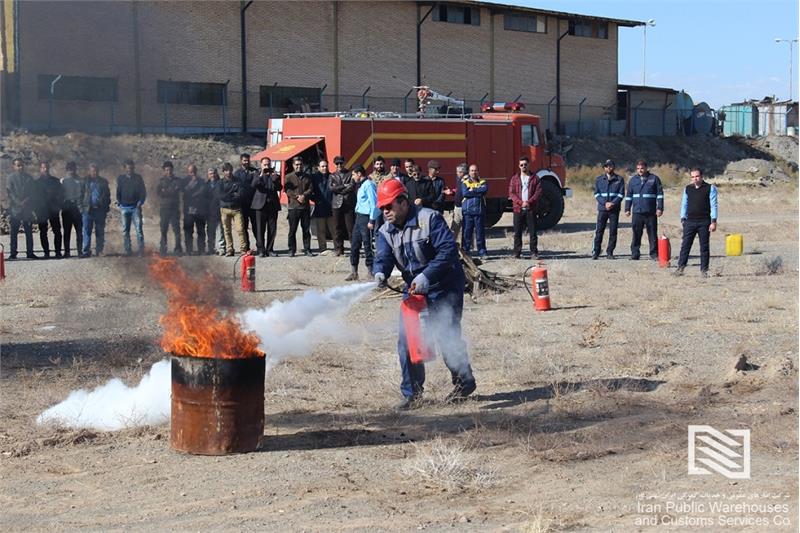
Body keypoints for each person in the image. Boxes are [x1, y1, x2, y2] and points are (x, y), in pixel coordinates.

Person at [373, 180, 476, 410]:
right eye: (382, 208)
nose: (385, 211)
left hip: (444, 285)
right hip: (415, 291)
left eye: (389, 206)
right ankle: (412, 394)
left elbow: (448, 250)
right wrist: (380, 272)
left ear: (403, 201)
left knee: (446, 334)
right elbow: (383, 257)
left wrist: (427, 275)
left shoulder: (429, 219)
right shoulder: (384, 231)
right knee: (407, 339)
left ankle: (464, 382)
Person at [675, 168, 718, 277]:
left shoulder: (710, 188)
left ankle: (704, 271)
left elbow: (714, 205)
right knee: (685, 246)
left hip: (704, 222)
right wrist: (683, 218)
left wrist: (713, 221)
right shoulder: (688, 189)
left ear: (702, 176)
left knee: (704, 247)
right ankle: (680, 268)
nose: (695, 179)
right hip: (690, 222)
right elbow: (684, 204)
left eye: (697, 176)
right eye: (693, 177)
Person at [624, 159, 664, 260]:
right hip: (637, 212)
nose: (640, 170)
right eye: (638, 168)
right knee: (636, 234)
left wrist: (659, 208)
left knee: (652, 234)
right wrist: (627, 208)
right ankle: (635, 253)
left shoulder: (654, 179)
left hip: (650, 212)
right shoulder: (633, 180)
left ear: (646, 168)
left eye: (642, 168)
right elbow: (628, 196)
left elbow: (660, 195)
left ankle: (654, 254)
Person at [345, 165, 378, 281]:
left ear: (359, 174)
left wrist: (372, 220)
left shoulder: (369, 185)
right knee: (354, 244)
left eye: (354, 174)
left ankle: (370, 271)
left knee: (367, 245)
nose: (353, 177)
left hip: (366, 218)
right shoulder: (361, 185)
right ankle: (354, 272)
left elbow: (374, 204)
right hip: (358, 217)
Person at [509, 156, 542, 259]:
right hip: (518, 209)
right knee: (517, 232)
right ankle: (517, 253)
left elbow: (538, 192)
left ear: (529, 165)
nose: (523, 166)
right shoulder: (514, 178)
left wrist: (529, 202)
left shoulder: (535, 178)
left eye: (525, 164)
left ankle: (533, 253)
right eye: (521, 165)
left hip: (530, 208)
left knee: (533, 232)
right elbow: (511, 193)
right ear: (519, 166)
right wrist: (520, 202)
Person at [592, 159, 625, 260]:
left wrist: (613, 203)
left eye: (610, 166)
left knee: (613, 231)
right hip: (602, 209)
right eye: (606, 166)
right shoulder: (599, 179)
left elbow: (621, 194)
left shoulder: (619, 179)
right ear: (604, 168)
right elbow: (596, 194)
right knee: (599, 231)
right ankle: (596, 252)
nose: (608, 168)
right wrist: (605, 203)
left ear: (613, 167)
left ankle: (610, 252)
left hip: (614, 209)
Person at [6, 158, 38, 260]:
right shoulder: (10, 178)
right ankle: (13, 253)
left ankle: (30, 252)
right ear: (14, 166)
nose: (20, 167)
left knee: (28, 231)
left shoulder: (29, 178)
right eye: (18, 165)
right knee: (14, 232)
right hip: (15, 209)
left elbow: (33, 192)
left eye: (21, 165)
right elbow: (10, 192)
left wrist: (26, 201)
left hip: (27, 208)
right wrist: (19, 203)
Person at [251, 157, 282, 257]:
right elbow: (254, 185)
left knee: (272, 229)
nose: (266, 166)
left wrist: (274, 178)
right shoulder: (257, 174)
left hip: (272, 205)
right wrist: (260, 175)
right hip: (260, 206)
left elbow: (279, 187)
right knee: (260, 229)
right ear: (261, 165)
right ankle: (261, 250)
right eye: (264, 165)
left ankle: (270, 249)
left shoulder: (274, 175)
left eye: (268, 164)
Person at [116, 159, 147, 256]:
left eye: (131, 168)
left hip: (135, 207)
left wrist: (140, 202)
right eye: (128, 168)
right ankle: (128, 250)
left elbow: (143, 192)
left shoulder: (138, 178)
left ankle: (141, 250)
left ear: (134, 168)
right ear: (125, 168)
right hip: (124, 208)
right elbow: (118, 192)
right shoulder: (121, 179)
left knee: (139, 230)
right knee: (126, 231)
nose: (130, 169)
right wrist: (120, 203)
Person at [284, 156, 313, 257]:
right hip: (293, 207)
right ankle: (291, 250)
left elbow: (310, 188)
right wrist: (297, 197)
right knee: (292, 230)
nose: (298, 166)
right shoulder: (288, 177)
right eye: (296, 164)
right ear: (293, 165)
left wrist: (304, 195)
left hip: (305, 207)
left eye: (300, 164)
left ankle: (307, 249)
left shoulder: (308, 176)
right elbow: (287, 190)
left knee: (306, 230)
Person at [81, 163, 111, 258]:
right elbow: (80, 195)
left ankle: (99, 250)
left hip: (100, 210)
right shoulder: (84, 181)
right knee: (87, 231)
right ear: (89, 171)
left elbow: (107, 196)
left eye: (96, 171)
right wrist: (81, 208)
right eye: (92, 171)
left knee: (100, 231)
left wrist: (106, 208)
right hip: (87, 210)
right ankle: (86, 251)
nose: (94, 172)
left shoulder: (103, 182)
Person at [37, 161, 64, 259]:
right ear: (40, 169)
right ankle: (46, 253)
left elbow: (61, 194)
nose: (45, 170)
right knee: (43, 232)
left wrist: (59, 206)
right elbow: (34, 197)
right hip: (42, 211)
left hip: (53, 210)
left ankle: (58, 252)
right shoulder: (36, 183)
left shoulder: (55, 181)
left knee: (57, 231)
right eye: (43, 168)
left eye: (46, 167)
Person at [329, 155, 355, 256]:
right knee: (337, 227)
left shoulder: (349, 174)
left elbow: (352, 186)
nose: (339, 165)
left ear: (344, 163)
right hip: (336, 204)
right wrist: (344, 186)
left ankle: (354, 247)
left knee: (350, 227)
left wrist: (339, 189)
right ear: (335, 165)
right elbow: (331, 188)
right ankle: (339, 248)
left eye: (341, 163)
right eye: (337, 164)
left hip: (348, 203)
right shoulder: (332, 175)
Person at [460, 164, 488, 257]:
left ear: (478, 171)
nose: (473, 172)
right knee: (467, 233)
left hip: (479, 211)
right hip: (468, 211)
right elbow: (465, 193)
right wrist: (477, 191)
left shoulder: (483, 182)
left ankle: (482, 251)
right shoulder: (465, 182)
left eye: (475, 170)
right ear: (469, 172)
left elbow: (484, 190)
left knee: (480, 234)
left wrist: (472, 190)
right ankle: (466, 252)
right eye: (472, 170)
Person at [219, 162, 246, 256]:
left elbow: (241, 194)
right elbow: (220, 196)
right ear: (223, 172)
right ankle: (230, 249)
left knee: (240, 229)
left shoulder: (238, 181)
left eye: (230, 170)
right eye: (226, 170)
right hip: (225, 209)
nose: (229, 172)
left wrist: (230, 196)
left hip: (236, 209)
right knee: (227, 230)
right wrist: (232, 195)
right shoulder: (221, 182)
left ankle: (243, 249)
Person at [156, 161, 183, 256]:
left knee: (176, 229)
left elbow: (178, 190)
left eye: (170, 169)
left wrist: (166, 191)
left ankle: (178, 249)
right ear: (164, 171)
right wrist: (170, 191)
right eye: (166, 170)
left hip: (174, 208)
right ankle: (163, 249)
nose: (168, 171)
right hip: (164, 208)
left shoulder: (177, 180)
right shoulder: (161, 181)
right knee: (163, 229)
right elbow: (159, 192)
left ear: (172, 169)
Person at [311, 158, 336, 255]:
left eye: (326, 166)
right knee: (321, 230)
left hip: (331, 207)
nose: (324, 168)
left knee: (334, 229)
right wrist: (316, 199)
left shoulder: (332, 176)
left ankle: (337, 247)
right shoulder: (314, 178)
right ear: (318, 167)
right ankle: (322, 248)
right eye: (322, 166)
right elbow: (310, 190)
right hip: (320, 206)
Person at [182, 163, 208, 255]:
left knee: (201, 231)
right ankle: (189, 250)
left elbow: (203, 192)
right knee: (188, 231)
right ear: (188, 172)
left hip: (200, 210)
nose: (192, 174)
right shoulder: (184, 181)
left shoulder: (201, 181)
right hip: (188, 210)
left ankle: (201, 249)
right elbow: (184, 192)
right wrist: (191, 184)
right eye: (190, 172)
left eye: (194, 172)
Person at [60, 161, 84, 258]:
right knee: (67, 231)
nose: (71, 171)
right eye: (69, 169)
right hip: (67, 207)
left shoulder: (80, 180)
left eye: (73, 169)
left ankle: (80, 251)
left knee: (79, 231)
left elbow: (84, 193)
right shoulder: (63, 181)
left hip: (78, 207)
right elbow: (59, 194)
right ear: (66, 170)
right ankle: (67, 252)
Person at [234, 153, 257, 251]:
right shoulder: (237, 173)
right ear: (241, 161)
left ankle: (260, 247)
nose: (246, 162)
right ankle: (246, 247)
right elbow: (236, 187)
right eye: (244, 160)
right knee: (244, 227)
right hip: (242, 204)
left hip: (254, 203)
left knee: (256, 226)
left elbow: (256, 183)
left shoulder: (254, 171)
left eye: (248, 160)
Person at [206, 168, 223, 255]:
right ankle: (211, 248)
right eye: (210, 174)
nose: (212, 175)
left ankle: (221, 249)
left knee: (220, 231)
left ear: (216, 174)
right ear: (208, 175)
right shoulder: (205, 185)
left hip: (219, 210)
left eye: (213, 173)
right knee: (210, 231)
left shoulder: (220, 183)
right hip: (209, 211)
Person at [449, 163, 466, 246]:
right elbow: (458, 190)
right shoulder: (458, 179)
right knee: (454, 227)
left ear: (465, 172)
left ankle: (466, 247)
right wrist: (452, 192)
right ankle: (451, 245)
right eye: (457, 172)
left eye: (460, 172)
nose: (458, 173)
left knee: (465, 229)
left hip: (464, 207)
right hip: (457, 207)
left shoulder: (467, 180)